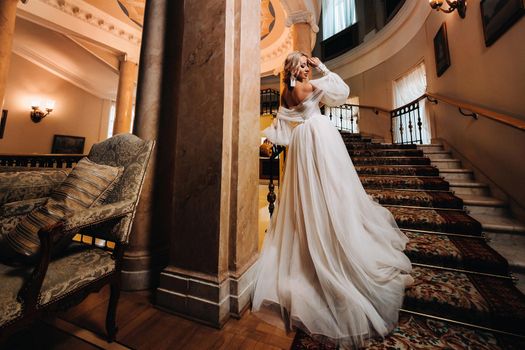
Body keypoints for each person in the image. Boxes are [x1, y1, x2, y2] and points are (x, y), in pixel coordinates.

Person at [251, 51, 413, 348]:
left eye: (306, 65)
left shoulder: (286, 93)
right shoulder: (308, 87)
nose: (306, 69)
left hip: (301, 146)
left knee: (312, 198)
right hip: (318, 140)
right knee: (334, 190)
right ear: (292, 69)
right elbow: (341, 90)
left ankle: (318, 240)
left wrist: (267, 145)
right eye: (301, 65)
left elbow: (280, 130)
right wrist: (322, 65)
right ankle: (335, 243)